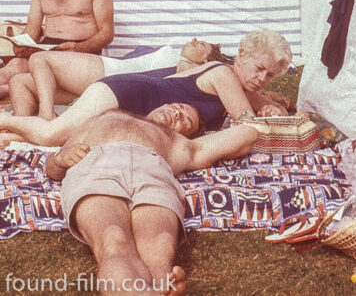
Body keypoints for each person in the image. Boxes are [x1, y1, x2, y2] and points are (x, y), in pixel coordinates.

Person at [45, 108, 260, 295]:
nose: (177, 113)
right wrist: (59, 159)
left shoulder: (180, 144)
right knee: (113, 238)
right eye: (178, 107)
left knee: (159, 249)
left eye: (185, 120)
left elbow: (248, 134)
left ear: (189, 133)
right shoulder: (103, 118)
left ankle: (156, 288)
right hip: (98, 164)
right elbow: (53, 169)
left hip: (153, 171)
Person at [0, 29, 291, 148]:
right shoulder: (223, 73)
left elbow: (262, 103)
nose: (262, 78)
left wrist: (272, 105)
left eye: (270, 76)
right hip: (124, 92)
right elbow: (247, 125)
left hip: (134, 106)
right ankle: (3, 121)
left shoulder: (234, 82)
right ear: (243, 56)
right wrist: (278, 121)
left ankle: (15, 135)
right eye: (259, 68)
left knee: (73, 136)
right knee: (54, 135)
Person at [9, 38, 227, 118]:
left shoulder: (188, 68)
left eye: (202, 45)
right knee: (19, 82)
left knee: (39, 58)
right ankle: (22, 128)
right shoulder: (174, 57)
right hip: (101, 83)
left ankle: (46, 116)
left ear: (206, 62)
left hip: (108, 73)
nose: (196, 39)